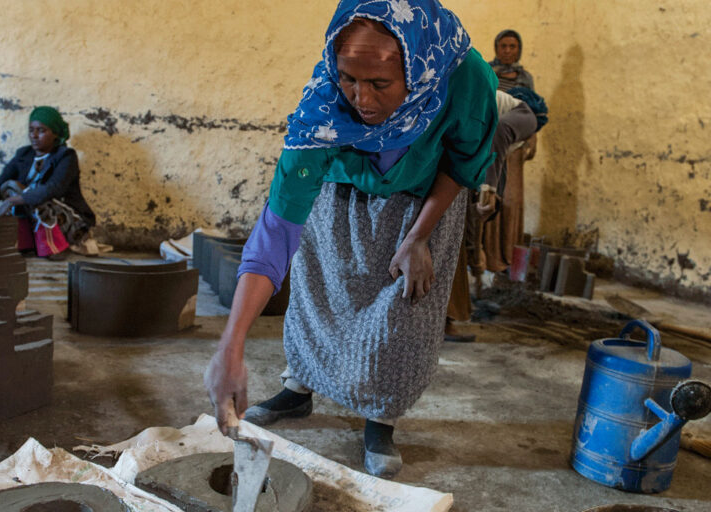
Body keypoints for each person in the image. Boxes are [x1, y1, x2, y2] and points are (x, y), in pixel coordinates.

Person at [204, 0, 497, 479]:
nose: (361, 99)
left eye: (380, 84)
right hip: (342, 194)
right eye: (348, 78)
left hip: (422, 202)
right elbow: (277, 230)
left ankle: (381, 418)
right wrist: (229, 347)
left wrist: (418, 237)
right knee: (320, 294)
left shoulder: (464, 77)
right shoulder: (322, 106)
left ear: (417, 67)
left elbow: (464, 163)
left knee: (402, 311)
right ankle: (298, 389)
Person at [445, 90, 541, 340]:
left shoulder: (505, 123)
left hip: (516, 117)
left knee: (479, 209)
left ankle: (455, 311)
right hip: (484, 151)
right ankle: (452, 311)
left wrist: (488, 191)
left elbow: (496, 145)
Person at [0, 106, 96, 259]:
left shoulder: (66, 156)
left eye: (41, 130)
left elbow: (54, 189)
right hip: (36, 216)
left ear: (55, 133)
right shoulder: (24, 155)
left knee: (33, 196)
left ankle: (55, 246)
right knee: (10, 187)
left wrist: (13, 201)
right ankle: (27, 244)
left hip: (70, 223)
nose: (34, 135)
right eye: (31, 130)